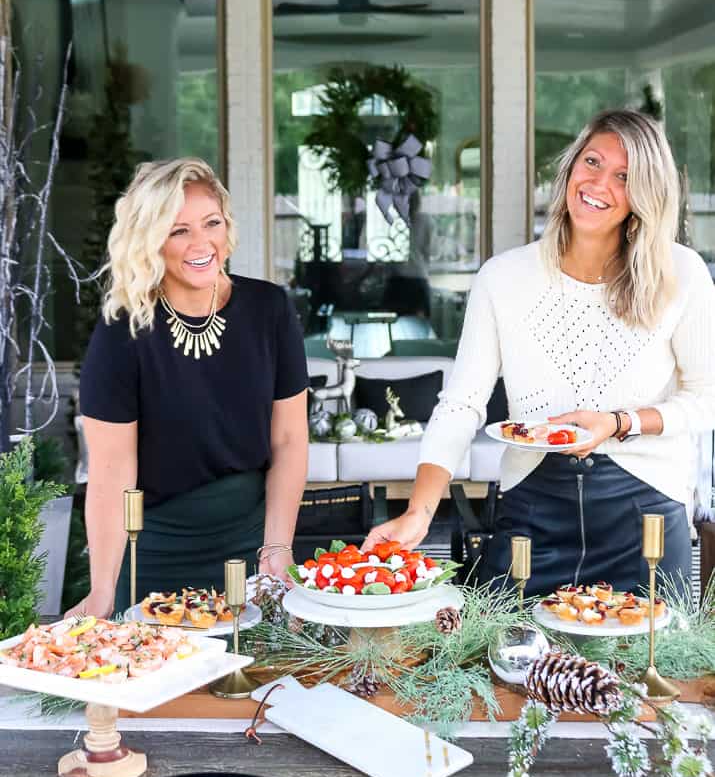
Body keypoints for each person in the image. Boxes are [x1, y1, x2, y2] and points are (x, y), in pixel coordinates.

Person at [362, 109, 715, 595]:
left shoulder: (683, 273)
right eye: (591, 162)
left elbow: (706, 398)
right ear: (570, 167)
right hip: (532, 507)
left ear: (645, 195)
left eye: (624, 177)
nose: (598, 183)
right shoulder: (503, 277)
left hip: (645, 510)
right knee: (509, 663)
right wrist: (419, 512)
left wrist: (618, 423)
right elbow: (462, 404)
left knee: (651, 668)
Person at [68, 157, 308, 617]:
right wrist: (101, 591)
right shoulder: (123, 331)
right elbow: (111, 471)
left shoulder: (269, 309)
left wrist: (277, 547)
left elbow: (290, 439)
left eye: (211, 223)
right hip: (155, 557)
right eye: (178, 230)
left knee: (261, 686)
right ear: (149, 240)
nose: (201, 244)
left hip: (253, 550)